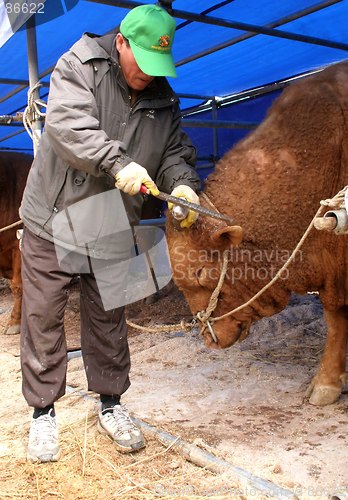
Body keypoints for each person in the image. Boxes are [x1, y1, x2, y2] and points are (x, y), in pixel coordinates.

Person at [19, 3, 201, 463]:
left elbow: (175, 150)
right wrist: (118, 163)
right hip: (53, 216)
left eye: (158, 65)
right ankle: (43, 413)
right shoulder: (78, 66)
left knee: (108, 319)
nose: (149, 74)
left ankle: (112, 405)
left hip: (111, 220)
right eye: (143, 61)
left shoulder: (163, 97)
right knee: (43, 318)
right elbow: (67, 126)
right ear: (121, 41)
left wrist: (182, 183)